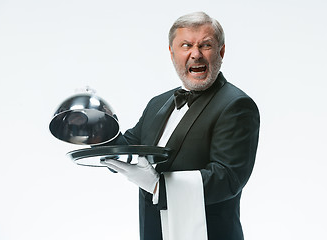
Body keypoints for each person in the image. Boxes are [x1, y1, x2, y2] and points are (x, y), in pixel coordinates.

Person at [100, 11, 260, 240]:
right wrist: (97, 130)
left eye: (206, 45)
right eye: (186, 45)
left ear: (221, 51)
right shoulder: (158, 103)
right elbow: (128, 147)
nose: (196, 54)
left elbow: (228, 177)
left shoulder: (236, 105)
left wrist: (159, 187)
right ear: (172, 53)